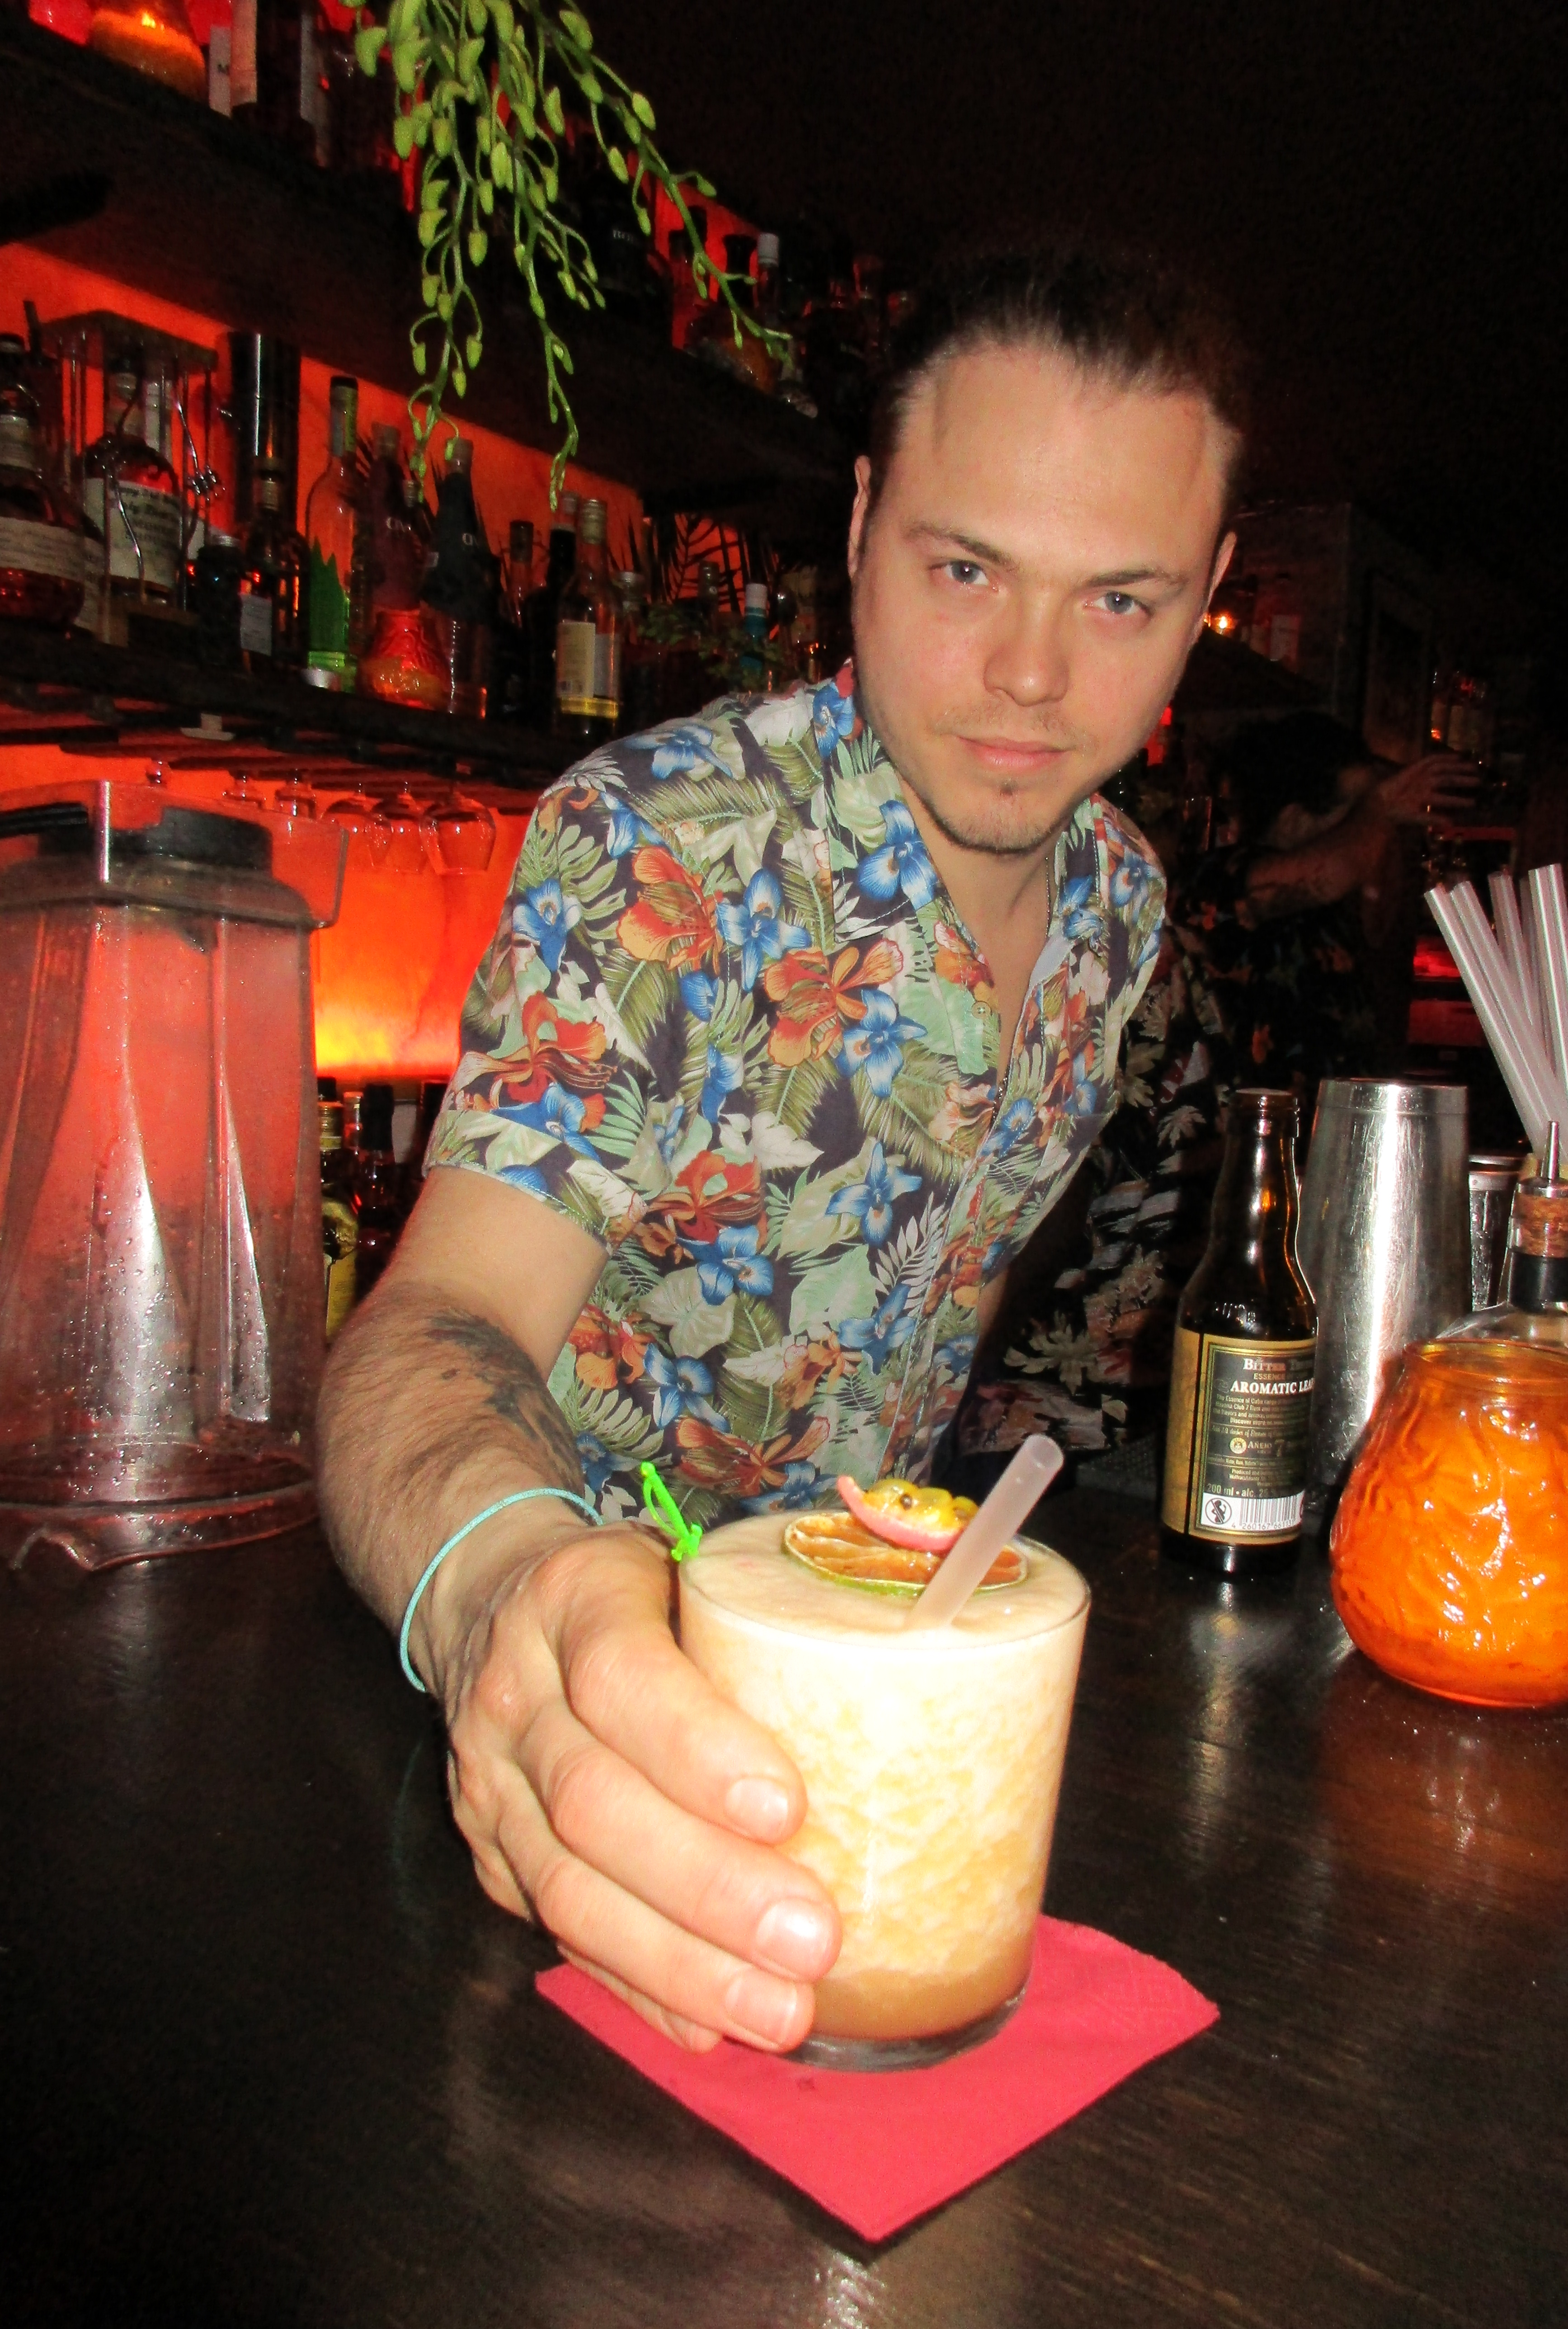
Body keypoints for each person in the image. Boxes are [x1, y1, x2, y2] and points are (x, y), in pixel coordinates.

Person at [316, 242, 1247, 2056]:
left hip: (859, 1728)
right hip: (537, 1741)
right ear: (864, 520)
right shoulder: (664, 844)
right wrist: (512, 1593)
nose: (1030, 674)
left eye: (1119, 600)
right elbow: (429, 1327)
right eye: (965, 568)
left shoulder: (1119, 906)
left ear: (1206, 598)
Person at [954, 713, 1475, 1468]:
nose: (1383, 835)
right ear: (1292, 820)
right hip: (1084, 1377)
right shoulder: (1211, 890)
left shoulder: (1333, 937)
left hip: (1236, 1326)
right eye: (1357, 808)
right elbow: (1040, 1196)